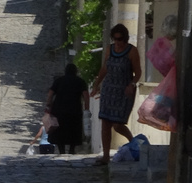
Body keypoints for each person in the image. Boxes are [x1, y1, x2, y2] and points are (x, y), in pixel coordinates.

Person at [92, 23, 142, 164]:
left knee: (118, 124)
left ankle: (133, 142)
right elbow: (104, 68)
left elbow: (138, 72)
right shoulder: (110, 49)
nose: (117, 42)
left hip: (124, 91)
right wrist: (97, 85)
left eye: (120, 39)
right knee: (105, 122)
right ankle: (106, 156)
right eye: (115, 39)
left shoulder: (132, 51)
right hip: (109, 90)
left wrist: (132, 84)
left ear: (125, 39)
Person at [47, 62, 89, 155]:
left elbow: (50, 93)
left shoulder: (59, 80)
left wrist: (48, 105)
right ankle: (71, 149)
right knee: (73, 130)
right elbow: (85, 95)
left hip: (59, 110)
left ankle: (61, 150)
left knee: (59, 131)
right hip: (74, 110)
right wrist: (87, 108)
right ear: (75, 71)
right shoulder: (80, 81)